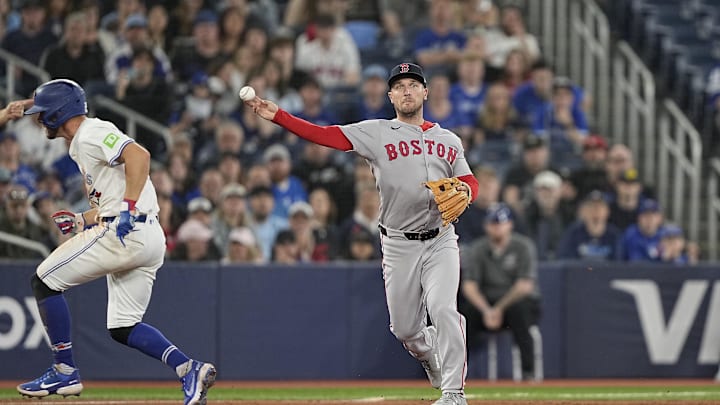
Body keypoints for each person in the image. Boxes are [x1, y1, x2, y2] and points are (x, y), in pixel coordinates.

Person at [245, 62, 479, 405]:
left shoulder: (448, 139)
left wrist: (468, 192)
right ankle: (429, 354)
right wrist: (279, 115)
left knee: (444, 309)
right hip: (398, 244)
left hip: (441, 239)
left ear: (425, 92)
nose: (407, 90)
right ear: (390, 96)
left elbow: (469, 180)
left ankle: (454, 392)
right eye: (399, 86)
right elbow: (326, 136)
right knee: (405, 330)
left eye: (413, 84)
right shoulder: (377, 132)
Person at [17, 79, 216, 404]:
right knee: (123, 326)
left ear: (58, 112)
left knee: (43, 281)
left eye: (43, 112)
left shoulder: (91, 132)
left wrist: (127, 209)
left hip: (127, 231)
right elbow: (110, 199)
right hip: (146, 235)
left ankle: (64, 371)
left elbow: (139, 155)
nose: (39, 119)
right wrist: (83, 219)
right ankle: (188, 369)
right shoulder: (82, 142)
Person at [460, 203, 541, 381]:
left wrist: (498, 309)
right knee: (465, 317)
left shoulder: (523, 246)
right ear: (486, 225)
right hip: (486, 304)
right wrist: (486, 310)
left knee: (521, 312)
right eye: (493, 223)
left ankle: (529, 374)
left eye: (500, 223)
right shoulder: (478, 248)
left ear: (510, 224)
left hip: (514, 302)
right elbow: (469, 286)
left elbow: (524, 285)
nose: (497, 228)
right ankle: (457, 374)